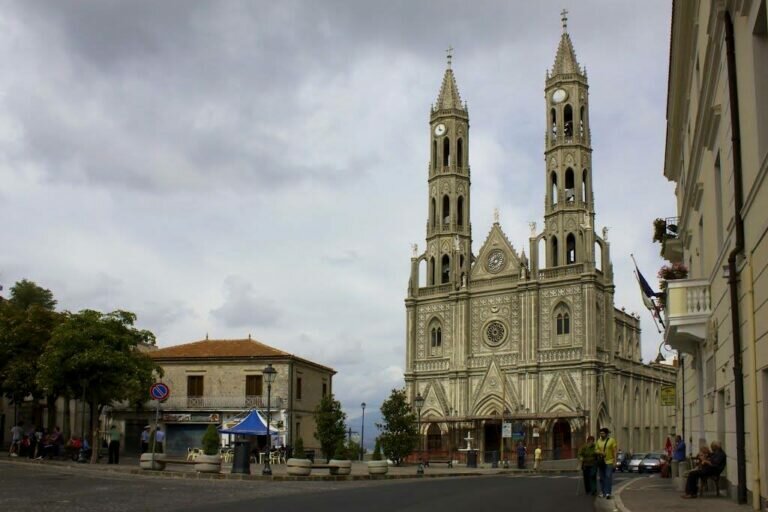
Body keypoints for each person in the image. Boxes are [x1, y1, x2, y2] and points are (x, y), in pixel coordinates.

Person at [595, 427, 617, 499]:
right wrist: (601, 452)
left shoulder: (611, 440)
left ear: (606, 434)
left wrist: (615, 461)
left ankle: (608, 493)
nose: (601, 434)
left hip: (609, 461)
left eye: (603, 433)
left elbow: (614, 451)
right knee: (602, 478)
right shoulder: (598, 441)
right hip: (601, 462)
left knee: (608, 477)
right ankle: (603, 492)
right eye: (600, 433)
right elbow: (596, 450)